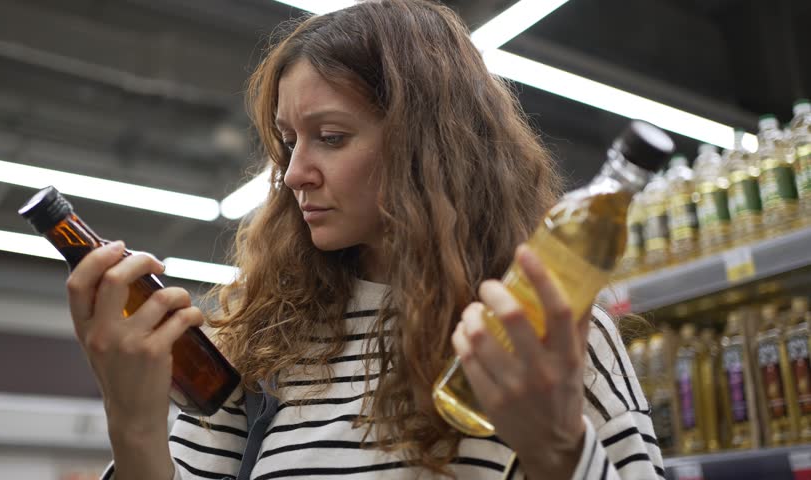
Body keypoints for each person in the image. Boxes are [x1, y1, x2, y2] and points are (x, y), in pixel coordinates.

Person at [66, 1, 662, 478]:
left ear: (426, 148)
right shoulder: (255, 341)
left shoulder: (544, 333)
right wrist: (133, 424)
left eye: (329, 136)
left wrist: (560, 452)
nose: (294, 171)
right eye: (287, 139)